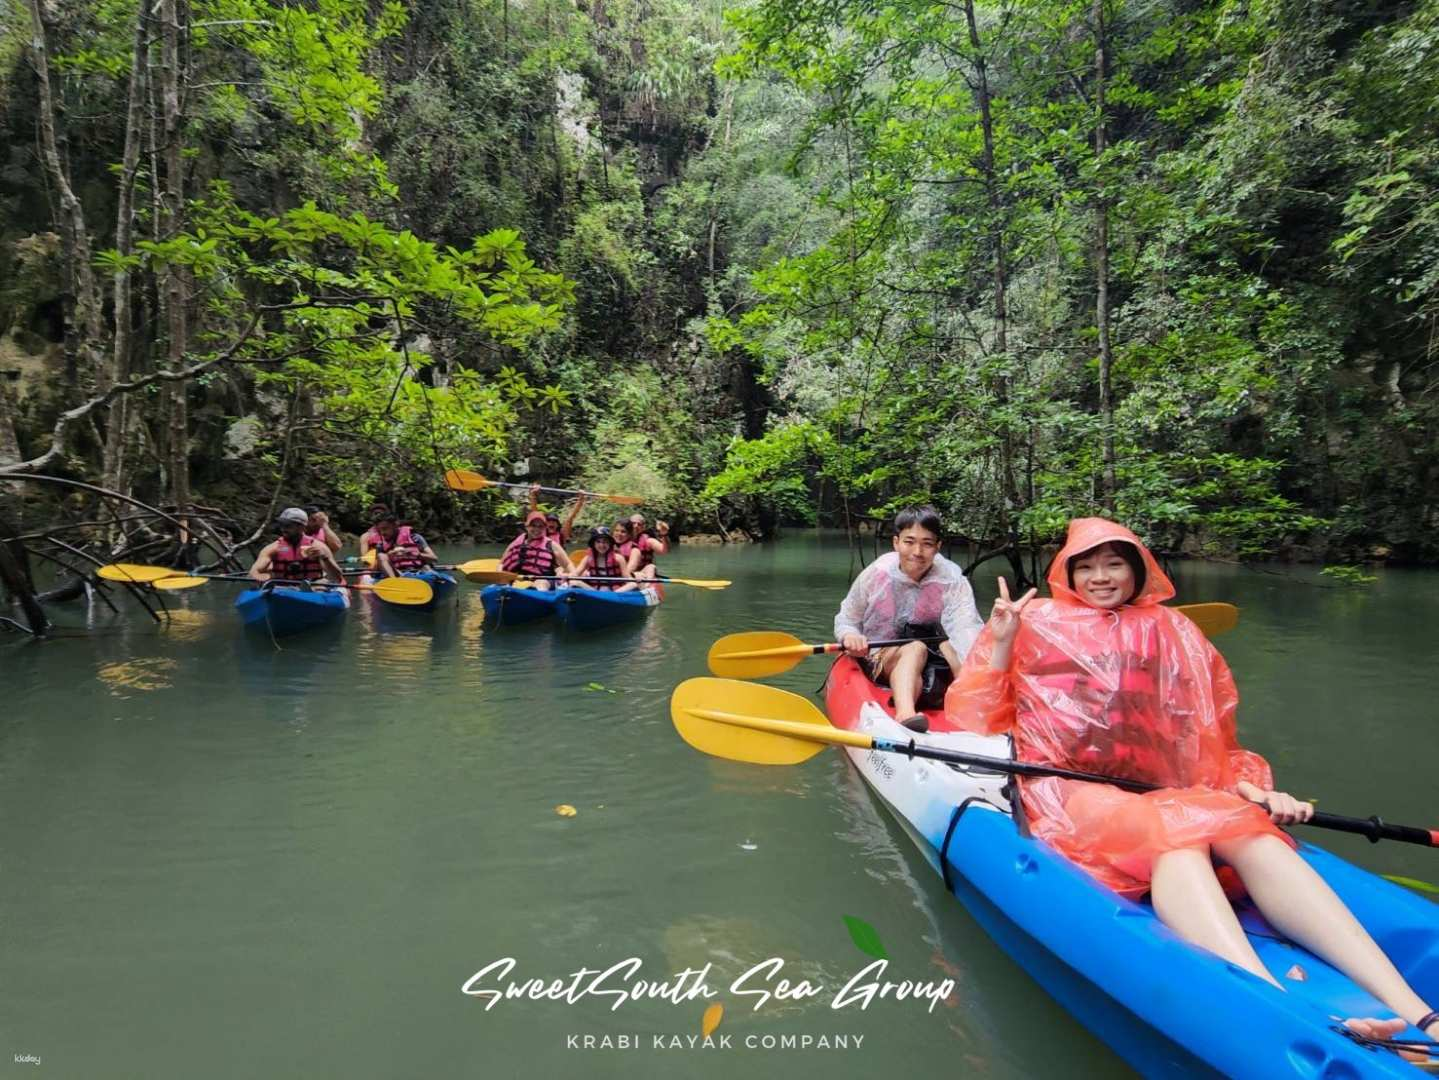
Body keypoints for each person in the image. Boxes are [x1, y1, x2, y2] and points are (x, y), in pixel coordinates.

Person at [941, 517, 1439, 1048]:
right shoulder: (1036, 620)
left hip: (1161, 789)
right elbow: (977, 716)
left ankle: (1420, 1014)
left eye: (1113, 564)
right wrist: (1001, 641)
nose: (1100, 577)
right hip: (1067, 789)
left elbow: (1210, 729)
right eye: (1085, 566)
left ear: (1137, 569)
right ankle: (1289, 1012)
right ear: (1067, 571)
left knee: (1250, 833)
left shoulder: (1173, 630)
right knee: (1176, 841)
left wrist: (1250, 788)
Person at [834, 505, 984, 729]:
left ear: (938, 547)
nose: (917, 551)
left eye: (927, 543)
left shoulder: (951, 579)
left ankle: (975, 709)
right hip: (880, 654)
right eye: (909, 541)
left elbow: (966, 629)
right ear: (896, 543)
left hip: (934, 656)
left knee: (950, 647)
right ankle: (905, 715)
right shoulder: (877, 574)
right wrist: (849, 636)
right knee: (915, 648)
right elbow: (847, 618)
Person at [249, 507, 343, 584]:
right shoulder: (272, 548)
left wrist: (325, 558)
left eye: (288, 525)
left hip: (313, 588)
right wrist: (261, 576)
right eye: (281, 524)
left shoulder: (319, 547)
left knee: (322, 583)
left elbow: (337, 578)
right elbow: (254, 572)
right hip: (282, 588)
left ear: (301, 527)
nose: (283, 529)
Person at [500, 511, 574, 590]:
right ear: (526, 526)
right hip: (518, 579)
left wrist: (571, 575)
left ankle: (538, 596)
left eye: (540, 526)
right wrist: (500, 577)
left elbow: (568, 564)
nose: (537, 529)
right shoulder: (516, 543)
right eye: (533, 525)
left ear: (545, 528)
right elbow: (501, 563)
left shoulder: (551, 545)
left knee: (541, 582)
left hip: (544, 580)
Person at [567, 526, 637, 591]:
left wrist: (633, 580)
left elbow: (627, 578)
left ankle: (612, 597)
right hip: (594, 591)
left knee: (633, 584)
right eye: (598, 542)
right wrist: (568, 575)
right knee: (574, 581)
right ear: (593, 544)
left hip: (615, 592)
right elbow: (575, 575)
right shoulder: (588, 559)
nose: (602, 545)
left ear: (610, 544)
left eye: (605, 542)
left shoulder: (618, 558)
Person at [371, 514, 438, 578]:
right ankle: (394, 583)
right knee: (381, 556)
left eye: (385, 529)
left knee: (427, 568)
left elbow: (434, 558)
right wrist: (388, 556)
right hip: (398, 574)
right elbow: (374, 570)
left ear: (395, 525)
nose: (382, 533)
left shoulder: (415, 537)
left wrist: (414, 554)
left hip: (419, 572)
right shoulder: (381, 545)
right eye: (380, 530)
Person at [623, 513, 669, 581]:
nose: (636, 526)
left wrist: (664, 534)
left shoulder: (648, 541)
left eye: (639, 524)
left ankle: (647, 587)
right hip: (626, 574)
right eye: (633, 523)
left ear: (643, 527)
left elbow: (663, 550)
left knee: (651, 567)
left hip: (644, 573)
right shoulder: (621, 538)